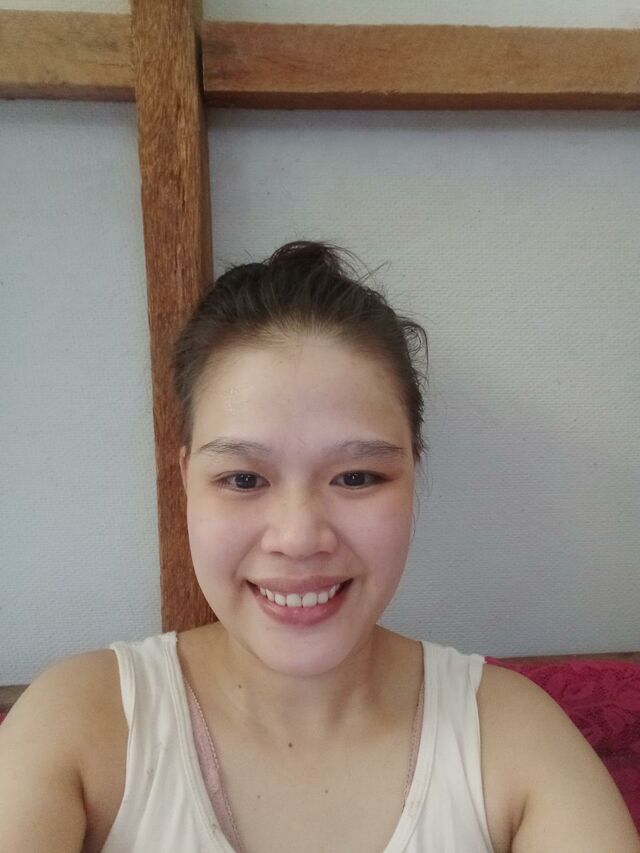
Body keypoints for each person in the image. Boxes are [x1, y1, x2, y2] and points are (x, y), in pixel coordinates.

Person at [0, 241, 638, 853]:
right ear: (186, 481)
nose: (300, 538)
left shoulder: (509, 735)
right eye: (243, 479)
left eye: (356, 478)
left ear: (413, 474)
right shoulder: (81, 723)